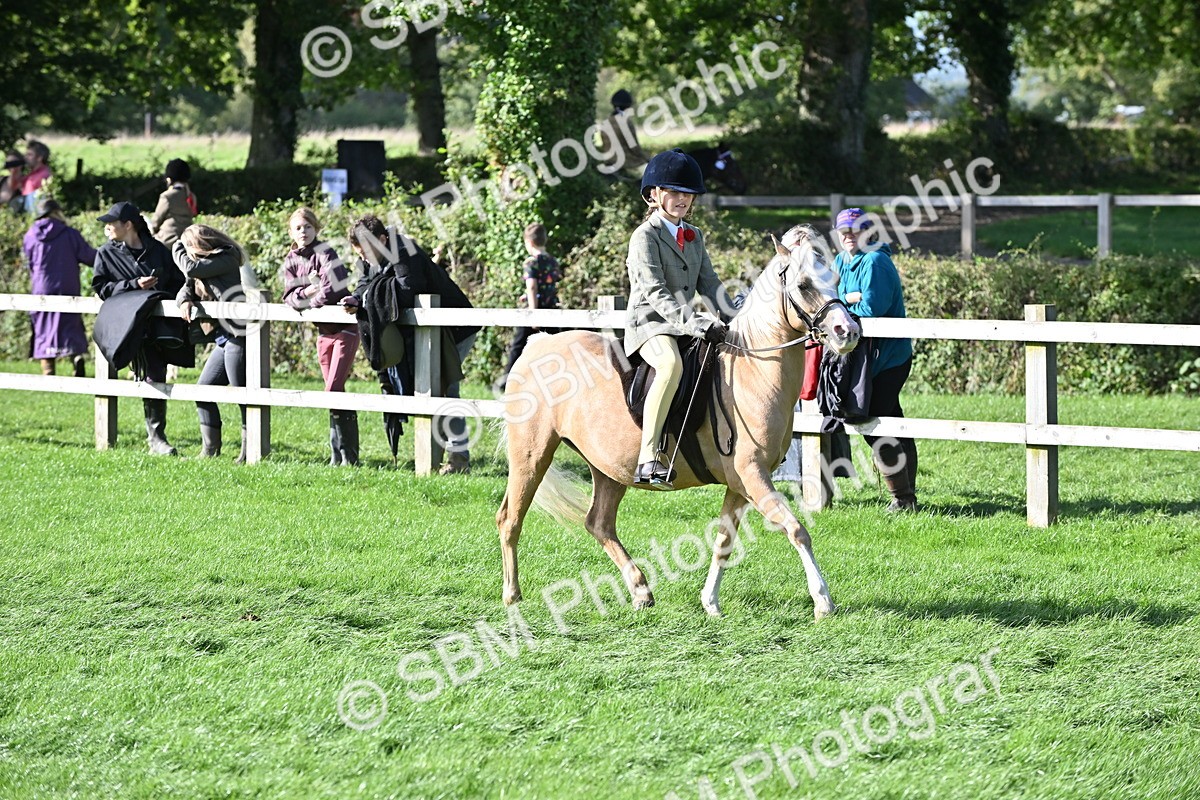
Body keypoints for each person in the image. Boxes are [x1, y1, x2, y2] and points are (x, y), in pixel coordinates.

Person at [625, 149, 732, 488]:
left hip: (685, 323)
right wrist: (700, 324)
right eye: (674, 192)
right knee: (671, 365)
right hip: (651, 324)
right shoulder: (644, 237)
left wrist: (735, 318)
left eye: (687, 193)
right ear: (654, 195)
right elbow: (656, 293)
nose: (682, 199)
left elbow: (711, 285)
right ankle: (649, 457)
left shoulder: (694, 235)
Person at [341, 213, 480, 474]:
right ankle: (443, 456)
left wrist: (369, 294)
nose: (363, 258)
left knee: (445, 389)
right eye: (359, 253)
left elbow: (407, 289)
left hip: (455, 328)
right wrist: (356, 299)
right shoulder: (369, 257)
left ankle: (457, 459)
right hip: (429, 331)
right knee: (431, 389)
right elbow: (364, 285)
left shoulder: (405, 251)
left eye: (366, 252)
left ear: (382, 239)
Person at [834, 207, 918, 512]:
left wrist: (847, 300)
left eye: (854, 230)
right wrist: (849, 298)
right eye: (843, 231)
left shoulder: (876, 261)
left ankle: (903, 497)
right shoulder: (841, 260)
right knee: (890, 420)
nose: (848, 236)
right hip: (864, 357)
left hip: (889, 358)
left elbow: (872, 309)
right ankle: (906, 494)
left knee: (877, 421)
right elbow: (832, 299)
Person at [92, 200, 185, 455]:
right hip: (123, 326)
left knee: (156, 375)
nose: (107, 227)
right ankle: (140, 437)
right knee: (141, 375)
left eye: (112, 222)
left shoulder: (158, 251)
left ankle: (156, 438)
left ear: (128, 225)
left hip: (157, 327)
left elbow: (177, 282)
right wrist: (133, 285)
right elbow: (101, 288)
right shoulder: (105, 253)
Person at [281, 207, 360, 466]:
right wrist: (306, 294)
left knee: (333, 389)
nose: (303, 232)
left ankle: (349, 456)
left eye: (308, 227)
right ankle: (338, 456)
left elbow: (331, 289)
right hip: (322, 333)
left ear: (316, 229)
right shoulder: (291, 259)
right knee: (332, 392)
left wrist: (310, 299)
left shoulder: (326, 253)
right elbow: (288, 297)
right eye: (298, 228)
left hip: (344, 329)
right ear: (291, 232)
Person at [173, 224, 252, 462]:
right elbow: (184, 289)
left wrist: (177, 245)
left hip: (238, 336)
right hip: (222, 339)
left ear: (201, 244)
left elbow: (191, 268)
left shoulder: (226, 258)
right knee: (202, 391)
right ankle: (210, 450)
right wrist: (185, 300)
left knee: (243, 396)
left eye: (189, 247)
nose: (186, 252)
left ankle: (250, 452)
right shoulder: (198, 267)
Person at [23, 199, 96, 377]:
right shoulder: (70, 234)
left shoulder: (30, 235)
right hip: (67, 285)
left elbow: (29, 262)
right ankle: (76, 357)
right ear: (56, 212)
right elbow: (89, 257)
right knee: (70, 324)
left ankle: (48, 368)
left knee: (43, 326)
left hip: (42, 287)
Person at [499, 222, 562, 388]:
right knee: (554, 347)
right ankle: (555, 383)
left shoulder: (530, 263)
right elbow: (549, 285)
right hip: (552, 310)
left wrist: (533, 313)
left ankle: (505, 382)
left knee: (518, 347)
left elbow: (532, 286)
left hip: (534, 311)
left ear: (529, 242)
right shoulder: (553, 261)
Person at [597, 89, 649, 177]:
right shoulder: (626, 122)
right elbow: (634, 148)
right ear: (628, 106)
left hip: (609, 161)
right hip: (627, 163)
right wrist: (649, 159)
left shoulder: (605, 123)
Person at [149, 158, 197, 247]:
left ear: (170, 179)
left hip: (167, 241)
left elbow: (156, 221)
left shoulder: (167, 196)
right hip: (188, 239)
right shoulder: (191, 196)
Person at [21, 140, 52, 215]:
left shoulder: (43, 175)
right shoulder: (32, 174)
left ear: (39, 158)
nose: (25, 157)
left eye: (29, 155)